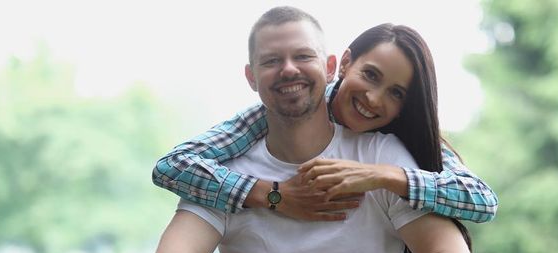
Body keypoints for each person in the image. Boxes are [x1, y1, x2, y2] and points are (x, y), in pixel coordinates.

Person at [151, 6, 475, 253]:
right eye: (271, 60)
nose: (288, 70)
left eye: (303, 56)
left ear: (331, 66)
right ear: (251, 77)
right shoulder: (224, 170)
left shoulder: (381, 158)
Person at [151, 14, 498, 224]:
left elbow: (482, 200)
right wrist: (273, 195)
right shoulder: (287, 109)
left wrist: (384, 175)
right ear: (344, 63)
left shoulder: (401, 139)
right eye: (371, 76)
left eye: (396, 93)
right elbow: (172, 165)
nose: (373, 99)